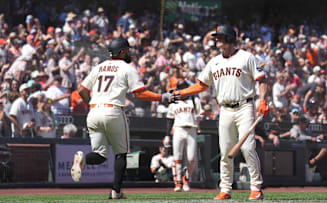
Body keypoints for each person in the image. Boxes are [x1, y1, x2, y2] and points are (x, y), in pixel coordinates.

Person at [172, 25, 269, 200]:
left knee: (247, 148)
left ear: (230, 39)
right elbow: (202, 85)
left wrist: (262, 100)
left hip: (245, 106)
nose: (216, 40)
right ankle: (225, 189)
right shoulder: (214, 61)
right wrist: (182, 93)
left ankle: (256, 187)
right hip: (224, 109)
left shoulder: (246, 57)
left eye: (220, 37)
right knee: (225, 151)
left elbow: (261, 79)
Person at [70, 38, 173, 200]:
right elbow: (140, 93)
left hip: (94, 111)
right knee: (121, 154)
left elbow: (81, 90)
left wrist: (91, 104)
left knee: (100, 155)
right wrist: (161, 97)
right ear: (122, 51)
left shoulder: (99, 67)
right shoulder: (127, 68)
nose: (130, 52)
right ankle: (116, 192)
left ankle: (82, 159)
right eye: (128, 50)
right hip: (113, 111)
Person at [164, 80, 203, 192]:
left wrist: (200, 119)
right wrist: (167, 135)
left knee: (191, 159)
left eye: (184, 87)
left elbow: (200, 113)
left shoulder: (194, 99)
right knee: (178, 157)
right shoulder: (174, 101)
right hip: (178, 129)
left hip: (191, 129)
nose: (182, 89)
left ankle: (186, 178)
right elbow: (170, 119)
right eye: (180, 87)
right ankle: (178, 183)